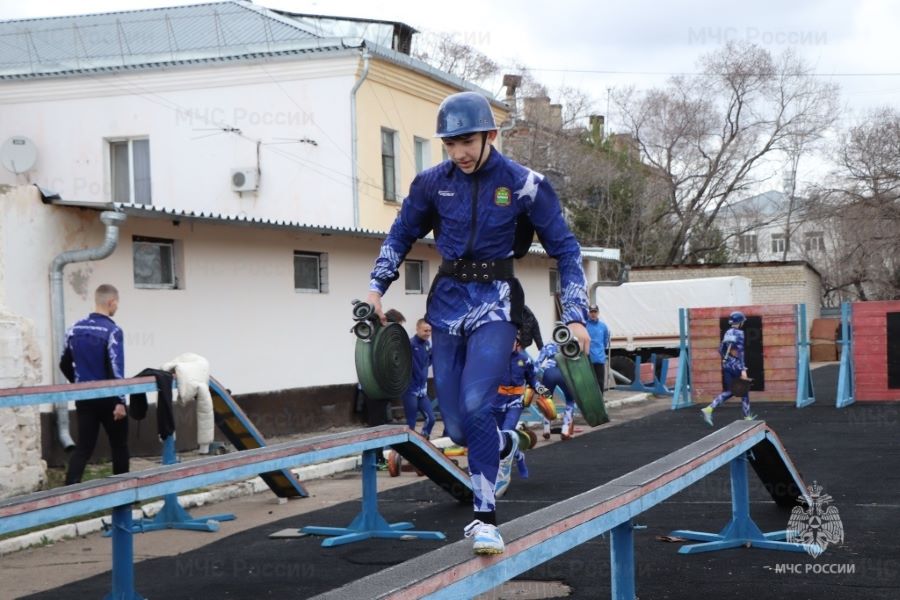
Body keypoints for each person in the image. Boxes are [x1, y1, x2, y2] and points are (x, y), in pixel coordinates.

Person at [362, 91, 590, 555]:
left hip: (497, 302)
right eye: (450, 144)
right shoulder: (430, 183)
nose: (459, 153)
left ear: (491, 135)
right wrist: (375, 288)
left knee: (476, 403)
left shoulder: (526, 185)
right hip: (447, 303)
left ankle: (485, 519)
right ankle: (504, 445)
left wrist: (576, 315)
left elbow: (567, 250)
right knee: (460, 427)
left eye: (466, 141)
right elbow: (401, 233)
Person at [60, 284, 129, 485]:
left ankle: (69, 492)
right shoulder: (113, 331)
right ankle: (123, 493)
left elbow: (64, 363)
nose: (117, 307)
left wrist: (78, 383)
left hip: (84, 397)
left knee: (84, 447)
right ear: (111, 302)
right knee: (119, 446)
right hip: (109, 398)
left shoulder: (74, 329)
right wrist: (120, 401)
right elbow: (116, 368)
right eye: (117, 303)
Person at [491, 336, 540, 489]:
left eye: (512, 341)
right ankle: (519, 456)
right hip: (497, 402)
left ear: (517, 343)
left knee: (507, 432)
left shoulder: (525, 360)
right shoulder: (494, 359)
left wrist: (545, 392)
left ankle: (501, 474)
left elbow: (533, 380)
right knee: (499, 438)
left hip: (516, 402)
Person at [701, 311, 754, 426]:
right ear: (740, 322)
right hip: (736, 365)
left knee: (731, 390)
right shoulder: (740, 333)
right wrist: (743, 369)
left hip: (726, 364)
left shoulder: (727, 332)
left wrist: (727, 359)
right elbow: (741, 352)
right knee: (743, 389)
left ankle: (709, 408)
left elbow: (720, 349)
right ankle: (747, 417)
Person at [535, 341, 578, 440]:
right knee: (570, 400)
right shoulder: (571, 345)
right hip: (564, 374)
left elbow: (537, 364)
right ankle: (565, 429)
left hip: (548, 374)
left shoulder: (548, 346)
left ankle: (546, 428)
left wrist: (531, 380)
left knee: (545, 400)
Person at [403, 318, 437, 439]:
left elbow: (428, 362)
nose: (428, 333)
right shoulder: (410, 344)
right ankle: (406, 446)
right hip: (410, 390)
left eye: (430, 331)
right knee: (411, 422)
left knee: (431, 419)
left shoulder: (427, 344)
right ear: (417, 329)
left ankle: (424, 440)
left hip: (422, 391)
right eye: (425, 330)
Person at [586, 305, 611, 391]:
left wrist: (600, 351)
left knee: (600, 381)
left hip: (600, 358)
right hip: (588, 359)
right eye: (591, 312)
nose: (593, 314)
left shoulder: (603, 326)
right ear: (588, 313)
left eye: (595, 312)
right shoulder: (585, 325)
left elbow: (605, 341)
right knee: (589, 381)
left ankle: (600, 398)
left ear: (598, 313)